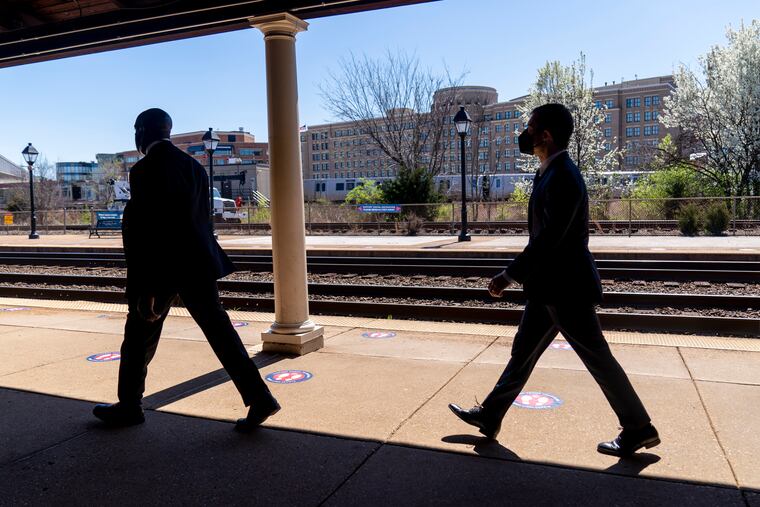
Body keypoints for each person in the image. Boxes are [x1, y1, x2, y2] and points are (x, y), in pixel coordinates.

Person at [449, 103, 659, 457]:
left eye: (530, 129)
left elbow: (548, 240)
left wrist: (508, 275)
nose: (525, 135)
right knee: (522, 354)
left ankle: (639, 427)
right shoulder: (550, 171)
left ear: (545, 135)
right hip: (549, 288)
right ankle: (490, 415)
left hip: (566, 289)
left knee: (597, 358)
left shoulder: (563, 176)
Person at [93, 108, 279, 431]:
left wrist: (147, 288)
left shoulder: (143, 172)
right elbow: (200, 221)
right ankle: (260, 397)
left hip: (163, 271)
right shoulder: (195, 168)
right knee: (221, 334)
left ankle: (129, 405)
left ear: (141, 132)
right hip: (198, 265)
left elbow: (151, 233)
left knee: (138, 335)